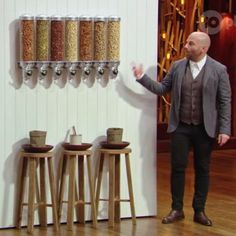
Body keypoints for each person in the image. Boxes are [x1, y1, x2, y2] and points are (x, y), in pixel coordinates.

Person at [132, 31, 231, 226]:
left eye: (190, 44)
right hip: (181, 127)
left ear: (203, 48)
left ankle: (199, 211)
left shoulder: (219, 70)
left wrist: (225, 129)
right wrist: (141, 77)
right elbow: (162, 89)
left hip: (205, 128)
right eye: (186, 42)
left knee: (203, 169)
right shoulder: (177, 67)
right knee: (178, 168)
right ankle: (177, 209)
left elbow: (225, 101)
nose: (186, 46)